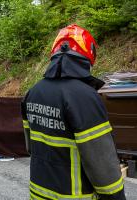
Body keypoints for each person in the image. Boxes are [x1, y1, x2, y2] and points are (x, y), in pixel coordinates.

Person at [21, 24, 126, 200]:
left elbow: (30, 147)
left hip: (38, 193)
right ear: (88, 56)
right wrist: (117, 196)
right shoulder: (84, 97)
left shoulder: (32, 92)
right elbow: (102, 163)